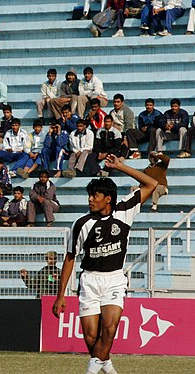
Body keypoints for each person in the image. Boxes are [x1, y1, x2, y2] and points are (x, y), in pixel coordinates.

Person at [52, 155, 158, 374]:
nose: (90, 199)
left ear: (107, 198)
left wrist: (120, 166)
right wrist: (61, 294)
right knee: (91, 337)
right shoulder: (81, 223)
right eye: (90, 195)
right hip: (89, 280)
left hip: (114, 280)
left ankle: (90, 371)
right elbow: (70, 257)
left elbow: (152, 183)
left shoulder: (124, 211)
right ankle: (108, 368)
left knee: (109, 330)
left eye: (95, 195)